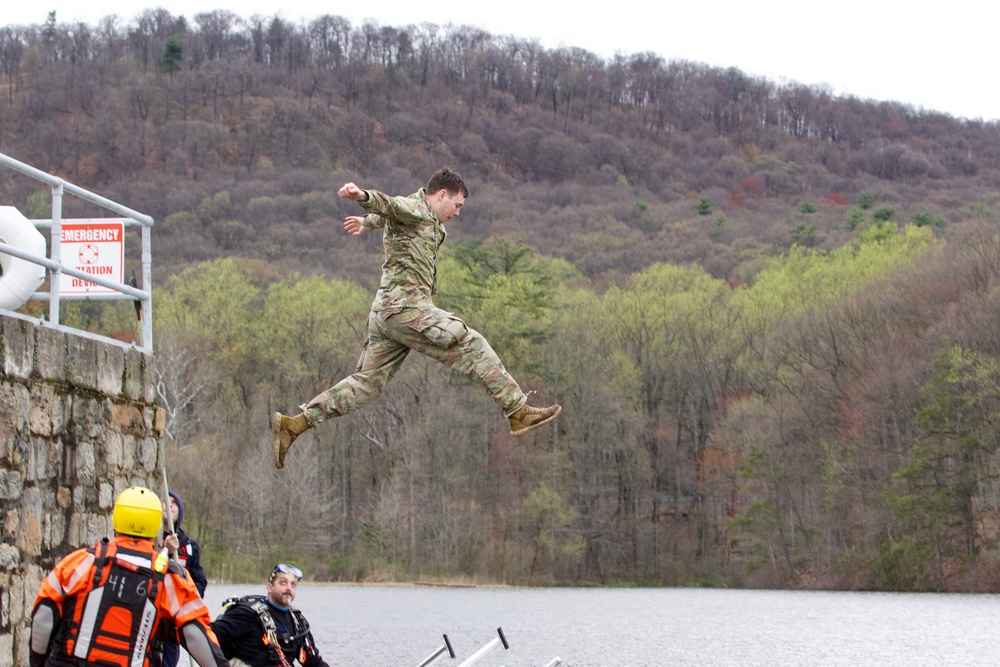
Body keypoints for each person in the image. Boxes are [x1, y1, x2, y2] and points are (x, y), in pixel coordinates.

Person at [271, 168, 561, 469]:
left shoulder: (419, 214)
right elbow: (389, 205)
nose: (457, 213)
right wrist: (362, 196)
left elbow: (390, 214)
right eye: (457, 205)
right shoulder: (415, 209)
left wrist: (367, 223)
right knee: (470, 342)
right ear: (442, 195)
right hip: (407, 310)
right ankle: (517, 410)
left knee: (367, 385)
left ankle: (294, 425)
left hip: (385, 314)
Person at [29, 486, 229, 667]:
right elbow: (196, 636)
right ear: (156, 525)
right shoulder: (172, 579)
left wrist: (38, 662)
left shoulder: (79, 562)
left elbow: (44, 614)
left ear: (116, 519)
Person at [210, 564, 328, 667]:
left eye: (293, 585)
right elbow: (209, 636)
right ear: (270, 587)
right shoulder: (246, 614)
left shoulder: (298, 623)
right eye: (283, 583)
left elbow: (313, 662)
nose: (288, 588)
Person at [162, 489, 208, 667]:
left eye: (174, 503)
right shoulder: (151, 539)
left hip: (175, 617)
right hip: (154, 612)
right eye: (166, 502)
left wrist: (189, 599)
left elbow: (199, 581)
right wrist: (166, 551)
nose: (170, 506)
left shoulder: (189, 546)